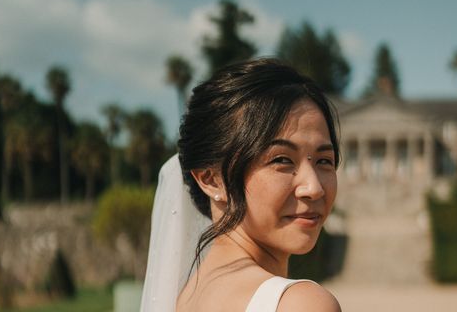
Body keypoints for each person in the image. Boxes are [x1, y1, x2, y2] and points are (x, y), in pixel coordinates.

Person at [141, 58, 342, 312]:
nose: (314, 188)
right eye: (281, 160)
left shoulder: (185, 297)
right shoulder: (300, 304)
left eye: (324, 160)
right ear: (211, 179)